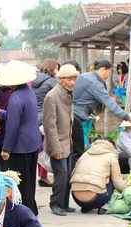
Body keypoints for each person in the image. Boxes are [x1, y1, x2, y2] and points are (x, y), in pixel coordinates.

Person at [0, 60, 43, 216]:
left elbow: (13, 125)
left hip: (20, 146)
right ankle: (31, 208)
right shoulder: (29, 92)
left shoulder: (15, 98)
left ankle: (26, 212)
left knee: (21, 181)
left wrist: (7, 148)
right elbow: (18, 117)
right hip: (33, 142)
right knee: (30, 179)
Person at [72, 60, 131, 166]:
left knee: (72, 151)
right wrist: (129, 118)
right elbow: (111, 105)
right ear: (103, 69)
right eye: (108, 73)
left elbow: (79, 99)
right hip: (75, 119)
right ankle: (72, 180)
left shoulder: (83, 76)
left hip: (70, 115)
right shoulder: (95, 84)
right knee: (77, 154)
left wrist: (86, 112)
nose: (108, 76)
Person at [42, 64, 80, 216]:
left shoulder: (67, 93)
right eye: (69, 79)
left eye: (74, 79)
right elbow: (49, 126)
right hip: (57, 142)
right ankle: (55, 203)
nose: (72, 82)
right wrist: (55, 148)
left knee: (67, 174)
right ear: (61, 80)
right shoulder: (52, 96)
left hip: (67, 141)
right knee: (61, 175)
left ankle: (64, 203)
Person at [70, 137, 128, 214]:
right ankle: (105, 206)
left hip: (77, 198)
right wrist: (128, 192)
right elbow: (117, 183)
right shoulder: (111, 156)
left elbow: (73, 174)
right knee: (112, 177)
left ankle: (86, 207)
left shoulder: (85, 154)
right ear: (113, 146)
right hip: (97, 199)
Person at [32, 59, 60, 187]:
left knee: (40, 148)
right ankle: (53, 174)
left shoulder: (33, 81)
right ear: (53, 68)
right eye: (57, 68)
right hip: (47, 118)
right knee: (50, 146)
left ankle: (42, 176)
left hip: (35, 119)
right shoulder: (52, 82)